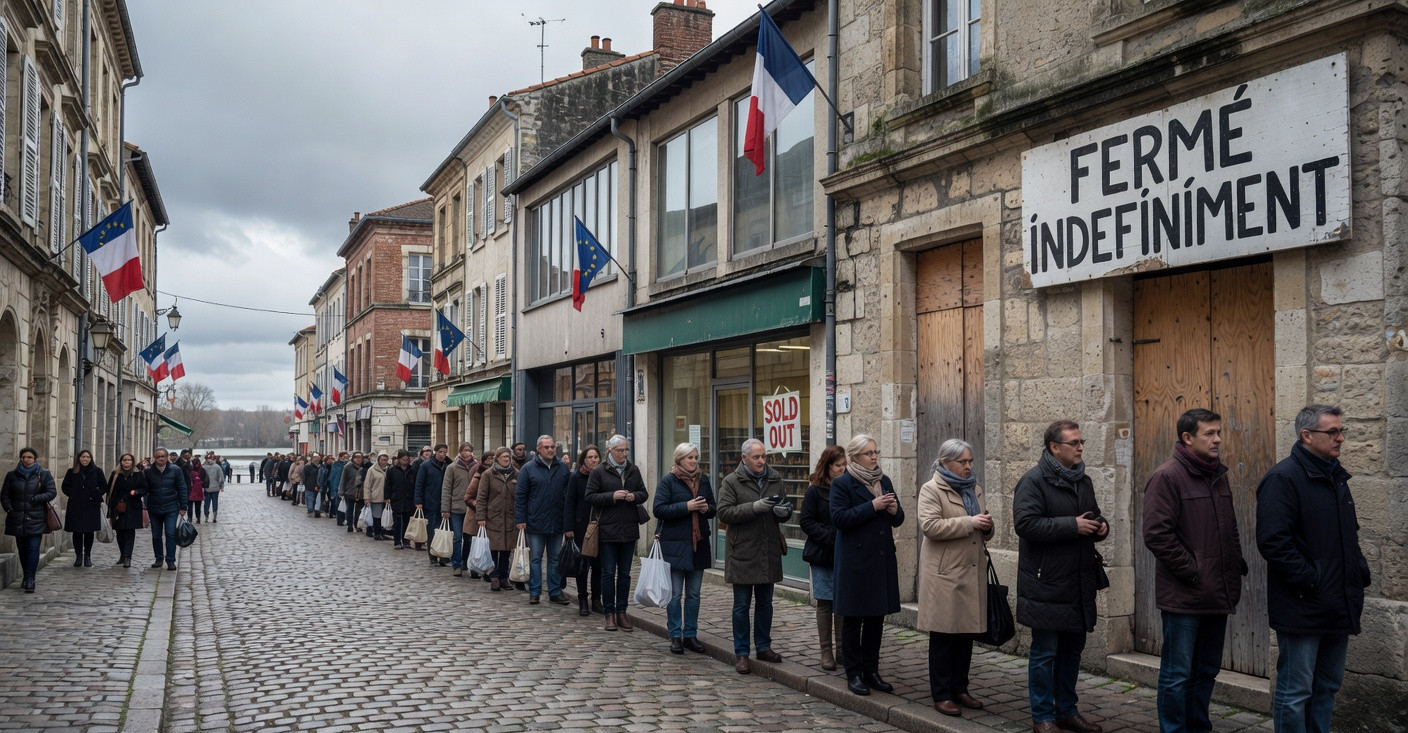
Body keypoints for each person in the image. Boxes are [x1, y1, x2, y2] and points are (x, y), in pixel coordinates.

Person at [1256, 405, 1368, 733]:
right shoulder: (1283, 478)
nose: (1341, 438)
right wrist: (1311, 580)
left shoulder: (1336, 477)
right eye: (1332, 432)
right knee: (1296, 690)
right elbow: (1273, 542)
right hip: (1303, 604)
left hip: (1337, 602)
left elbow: (1349, 535)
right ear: (1307, 436)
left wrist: (1357, 571)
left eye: (1340, 431)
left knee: (1327, 686)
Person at [1143, 408, 1248, 733]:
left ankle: (1198, 726)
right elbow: (1157, 534)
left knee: (1206, 670)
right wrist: (1194, 571)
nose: (1218, 439)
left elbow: (1228, 529)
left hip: (1217, 592)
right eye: (1210, 433)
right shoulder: (1168, 476)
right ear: (1188, 438)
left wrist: (1232, 568)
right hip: (1185, 596)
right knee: (1177, 672)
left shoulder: (1218, 474)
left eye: (1219, 432)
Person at [1014, 420, 1109, 733]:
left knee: (1071, 652)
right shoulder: (1033, 481)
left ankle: (1067, 711)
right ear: (1055, 448)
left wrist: (1101, 527)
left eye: (1081, 442)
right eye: (1074, 443)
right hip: (1046, 583)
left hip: (1079, 582)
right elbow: (1026, 525)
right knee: (1045, 654)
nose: (1081, 447)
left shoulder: (1084, 481)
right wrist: (1072, 526)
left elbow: (1091, 517)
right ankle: (1043, 716)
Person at [917, 438, 993, 716]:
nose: (968, 466)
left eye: (970, 461)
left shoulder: (975, 488)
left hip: (971, 570)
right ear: (945, 462)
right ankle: (942, 693)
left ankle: (961, 688)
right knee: (944, 636)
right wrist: (970, 522)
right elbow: (930, 526)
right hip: (945, 572)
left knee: (966, 634)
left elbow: (982, 529)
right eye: (962, 461)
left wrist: (987, 526)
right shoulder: (931, 489)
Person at [831, 434, 905, 697]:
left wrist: (895, 511)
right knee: (853, 618)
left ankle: (872, 670)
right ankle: (854, 673)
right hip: (855, 561)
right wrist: (872, 506)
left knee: (876, 618)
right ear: (855, 457)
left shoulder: (883, 480)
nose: (874, 457)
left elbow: (898, 519)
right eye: (868, 453)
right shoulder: (842, 483)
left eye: (876, 452)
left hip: (881, 558)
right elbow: (839, 518)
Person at [716, 438, 790, 674]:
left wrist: (784, 512)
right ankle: (742, 653)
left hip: (768, 549)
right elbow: (724, 513)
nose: (761, 461)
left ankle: (764, 646)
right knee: (741, 605)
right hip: (743, 550)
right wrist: (754, 507)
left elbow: (784, 507)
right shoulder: (731, 481)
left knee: (765, 603)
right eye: (756, 457)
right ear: (744, 458)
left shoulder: (775, 478)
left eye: (764, 456)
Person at [653, 442, 715, 653]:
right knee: (675, 594)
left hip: (699, 544)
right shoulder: (668, 481)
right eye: (690, 458)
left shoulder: (703, 480)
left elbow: (714, 508)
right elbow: (658, 509)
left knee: (694, 594)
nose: (694, 461)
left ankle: (691, 635)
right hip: (675, 545)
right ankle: (675, 635)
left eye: (696, 457)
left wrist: (706, 508)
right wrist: (686, 507)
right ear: (679, 460)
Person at [583, 434, 647, 627]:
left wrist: (633, 496)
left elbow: (644, 493)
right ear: (610, 450)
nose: (624, 454)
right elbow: (590, 497)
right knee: (608, 573)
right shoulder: (599, 472)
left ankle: (622, 611)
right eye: (620, 450)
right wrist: (612, 496)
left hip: (629, 529)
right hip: (607, 531)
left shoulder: (633, 470)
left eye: (626, 450)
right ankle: (609, 613)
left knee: (625, 573)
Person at [800, 444, 846, 671]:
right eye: (838, 465)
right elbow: (806, 522)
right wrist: (830, 536)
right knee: (826, 602)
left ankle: (842, 649)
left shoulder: (847, 487)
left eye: (845, 465)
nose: (842, 469)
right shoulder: (815, 491)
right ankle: (826, 651)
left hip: (844, 554)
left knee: (843, 602)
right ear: (827, 466)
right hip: (822, 553)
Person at [515, 435, 571, 605]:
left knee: (554, 559)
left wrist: (568, 520)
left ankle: (555, 592)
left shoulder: (562, 468)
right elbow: (520, 496)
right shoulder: (528, 468)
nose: (550, 450)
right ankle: (535, 591)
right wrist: (520, 519)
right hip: (535, 521)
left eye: (552, 447)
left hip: (556, 521)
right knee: (535, 559)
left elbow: (568, 495)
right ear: (538, 449)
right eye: (546, 447)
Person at [3, 447, 58, 592]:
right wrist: (9, 508)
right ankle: (26, 575)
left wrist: (37, 498)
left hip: (36, 517)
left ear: (35, 459)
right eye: (23, 457)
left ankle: (30, 579)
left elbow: (52, 492)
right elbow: (5, 495)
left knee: (33, 548)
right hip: (17, 517)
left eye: (29, 457)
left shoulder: (43, 474)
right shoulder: (12, 475)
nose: (26, 460)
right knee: (22, 549)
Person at [563, 445, 603, 615]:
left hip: (601, 526)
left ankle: (596, 599)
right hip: (581, 527)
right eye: (590, 457)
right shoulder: (576, 477)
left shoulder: (603, 476)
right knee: (582, 565)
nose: (594, 460)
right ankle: (582, 600)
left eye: (596, 457)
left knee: (599, 566)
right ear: (583, 460)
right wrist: (568, 528)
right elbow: (569, 503)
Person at [475, 447, 519, 590]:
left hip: (510, 517)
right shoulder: (488, 474)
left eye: (508, 457)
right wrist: (481, 516)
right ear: (497, 458)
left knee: (506, 549)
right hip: (493, 517)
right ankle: (494, 576)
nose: (507, 459)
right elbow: (481, 498)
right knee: (493, 548)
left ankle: (504, 577)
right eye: (504, 457)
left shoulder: (516, 474)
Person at [139, 448, 189, 571]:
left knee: (170, 533)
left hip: (171, 507)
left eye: (162, 456)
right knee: (156, 534)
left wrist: (183, 506)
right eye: (157, 457)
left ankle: (170, 560)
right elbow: (145, 489)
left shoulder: (176, 470)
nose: (160, 459)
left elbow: (182, 487)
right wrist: (143, 501)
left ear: (167, 457)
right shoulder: (148, 472)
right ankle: (159, 558)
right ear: (154, 458)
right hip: (154, 507)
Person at [62, 449, 107, 568]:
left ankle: (87, 556)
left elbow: (104, 485)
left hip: (91, 505)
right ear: (79, 459)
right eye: (83, 457)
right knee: (77, 531)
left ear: (91, 459)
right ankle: (78, 556)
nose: (85, 459)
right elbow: (65, 486)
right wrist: (73, 494)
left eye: (87, 457)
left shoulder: (97, 471)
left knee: (88, 531)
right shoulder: (72, 472)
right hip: (75, 505)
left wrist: (97, 493)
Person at [441, 443, 478, 575]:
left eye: (469, 450)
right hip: (456, 507)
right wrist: (445, 508)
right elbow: (446, 488)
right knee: (457, 537)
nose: (467, 453)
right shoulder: (452, 467)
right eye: (465, 450)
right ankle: (457, 563)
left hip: (472, 508)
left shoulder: (477, 466)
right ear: (460, 452)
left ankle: (466, 562)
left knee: (469, 538)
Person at [107, 453, 147, 568]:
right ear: (121, 461)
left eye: (129, 460)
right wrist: (111, 506)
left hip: (133, 506)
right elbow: (110, 490)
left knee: (129, 531)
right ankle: (122, 555)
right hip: (118, 507)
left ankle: (128, 557)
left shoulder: (138, 474)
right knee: (120, 531)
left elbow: (144, 488)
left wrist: (136, 492)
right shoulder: (115, 474)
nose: (127, 462)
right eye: (125, 460)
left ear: (132, 462)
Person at [415, 444, 450, 564]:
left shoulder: (448, 465)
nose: (443, 454)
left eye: (445, 452)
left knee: (445, 530)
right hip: (431, 502)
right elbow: (419, 483)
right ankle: (433, 555)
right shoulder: (426, 465)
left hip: (446, 502)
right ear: (435, 452)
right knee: (432, 531)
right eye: (440, 452)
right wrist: (419, 501)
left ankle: (444, 555)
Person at [385, 450, 416, 549]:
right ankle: (397, 541)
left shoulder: (412, 470)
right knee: (397, 521)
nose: (406, 461)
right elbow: (387, 485)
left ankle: (406, 540)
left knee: (407, 521)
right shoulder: (392, 470)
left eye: (407, 459)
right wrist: (387, 497)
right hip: (397, 498)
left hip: (409, 499)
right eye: (403, 459)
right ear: (399, 459)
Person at [362, 452, 390, 539]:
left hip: (386, 497)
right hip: (376, 496)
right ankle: (377, 534)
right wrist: (367, 496)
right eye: (382, 459)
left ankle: (382, 533)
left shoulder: (389, 469)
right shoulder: (372, 469)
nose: (384, 462)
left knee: (384, 516)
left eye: (385, 460)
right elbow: (367, 484)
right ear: (378, 459)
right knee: (376, 516)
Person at [340, 452, 366, 534]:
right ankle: (350, 525)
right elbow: (343, 479)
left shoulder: (364, 467)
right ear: (353, 458)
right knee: (349, 509)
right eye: (356, 457)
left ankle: (356, 525)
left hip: (360, 492)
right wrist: (341, 491)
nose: (358, 459)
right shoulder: (347, 467)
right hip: (349, 492)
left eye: (360, 457)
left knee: (359, 510)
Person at [203, 454, 226, 523]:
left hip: (207, 488)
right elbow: (221, 477)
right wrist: (221, 486)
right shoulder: (217, 467)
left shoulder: (204, 467)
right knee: (215, 502)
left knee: (206, 503)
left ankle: (206, 515)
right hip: (216, 487)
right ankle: (214, 516)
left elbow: (202, 477)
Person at [301, 452, 322, 517]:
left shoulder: (321, 467)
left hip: (318, 486)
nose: (317, 459)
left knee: (315, 499)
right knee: (310, 498)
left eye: (318, 458)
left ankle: (314, 510)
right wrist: (305, 483)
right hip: (309, 485)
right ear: (312, 459)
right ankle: (310, 510)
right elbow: (304, 476)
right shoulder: (307, 467)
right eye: (315, 458)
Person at [187, 459, 205, 524]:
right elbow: (205, 479)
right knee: (197, 507)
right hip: (198, 491)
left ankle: (190, 519)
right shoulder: (202, 470)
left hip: (191, 491)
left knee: (190, 507)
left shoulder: (189, 471)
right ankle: (198, 518)